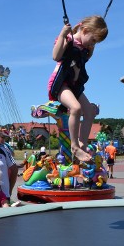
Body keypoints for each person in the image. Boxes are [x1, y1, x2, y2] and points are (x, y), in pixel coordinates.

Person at [47, 15, 108, 162]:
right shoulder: (69, 40)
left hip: (75, 87)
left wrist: (91, 47)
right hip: (61, 85)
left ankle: (82, 143)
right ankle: (74, 146)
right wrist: (62, 34)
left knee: (90, 111)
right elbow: (55, 56)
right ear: (85, 30)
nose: (93, 44)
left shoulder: (84, 48)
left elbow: (85, 58)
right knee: (76, 108)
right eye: (93, 40)